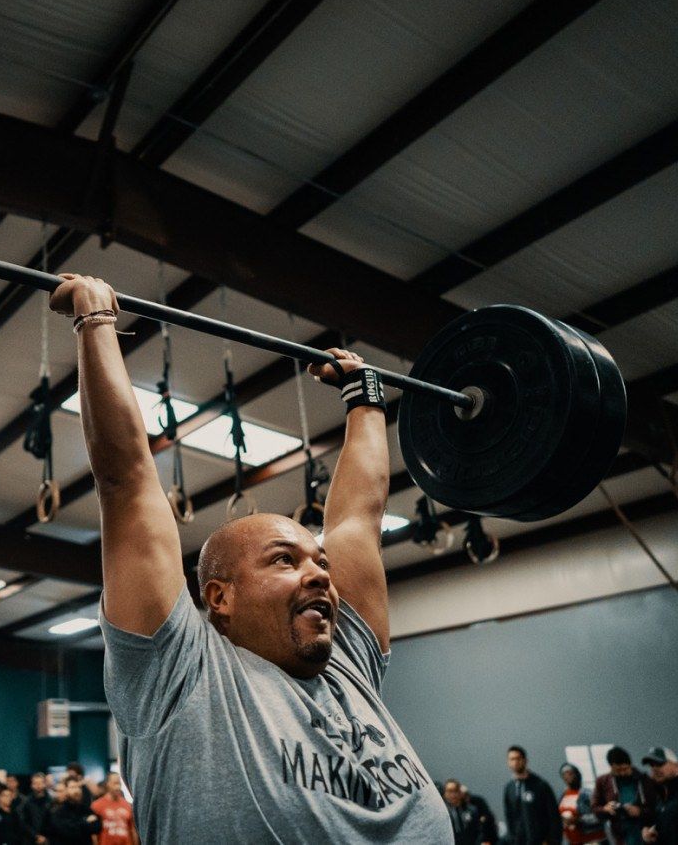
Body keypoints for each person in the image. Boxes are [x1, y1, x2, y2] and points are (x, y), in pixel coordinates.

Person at [48, 272, 450, 843]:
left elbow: (358, 519)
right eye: (285, 560)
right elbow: (127, 482)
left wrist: (366, 399)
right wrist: (95, 323)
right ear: (219, 596)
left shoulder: (347, 665)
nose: (318, 573)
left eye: (321, 564)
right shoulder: (181, 673)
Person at [591, 746, 655, 844]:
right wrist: (605, 809)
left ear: (630, 765)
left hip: (643, 830)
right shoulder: (602, 782)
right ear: (611, 767)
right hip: (619, 834)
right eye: (617, 770)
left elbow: (657, 807)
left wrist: (640, 811)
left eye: (625, 769)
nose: (622, 773)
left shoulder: (645, 780)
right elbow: (594, 808)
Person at [502, 746, 559, 845]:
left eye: (518, 758)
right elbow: (509, 817)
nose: (515, 762)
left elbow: (553, 815)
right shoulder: (509, 788)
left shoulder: (540, 785)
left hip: (540, 841)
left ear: (525, 760)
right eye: (512, 759)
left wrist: (551, 840)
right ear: (508, 763)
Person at [556, 763, 604, 845]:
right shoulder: (563, 796)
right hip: (572, 841)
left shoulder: (589, 794)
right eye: (564, 774)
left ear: (577, 774)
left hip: (591, 840)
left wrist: (579, 820)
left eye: (570, 773)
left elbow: (601, 816)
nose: (567, 776)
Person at [42, 780, 99, 845]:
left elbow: (97, 827)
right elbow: (69, 832)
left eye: (78, 787)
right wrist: (86, 821)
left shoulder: (84, 808)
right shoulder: (56, 811)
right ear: (66, 791)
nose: (77, 791)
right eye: (72, 787)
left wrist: (79, 824)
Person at [90, 773, 136, 845]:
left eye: (119, 784)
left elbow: (133, 830)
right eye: (115, 783)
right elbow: (93, 833)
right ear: (107, 784)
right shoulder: (96, 806)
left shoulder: (127, 805)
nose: (117, 787)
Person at [441, 780, 487, 845]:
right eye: (450, 791)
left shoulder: (471, 810)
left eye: (456, 791)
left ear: (460, 792)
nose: (453, 795)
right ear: (445, 793)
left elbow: (478, 831)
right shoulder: (443, 813)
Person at [16, 774, 49, 845]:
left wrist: (46, 837)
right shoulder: (25, 802)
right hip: (30, 840)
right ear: (31, 785)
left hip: (49, 839)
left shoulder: (51, 801)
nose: (38, 785)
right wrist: (36, 836)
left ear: (45, 784)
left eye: (40, 783)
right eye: (35, 783)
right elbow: (23, 822)